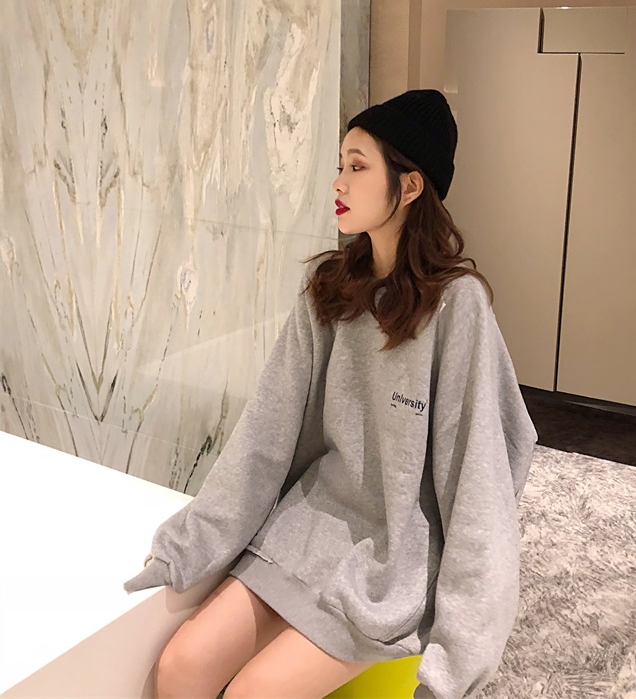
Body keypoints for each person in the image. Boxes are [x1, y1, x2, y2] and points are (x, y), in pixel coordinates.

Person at [123, 89, 538, 699]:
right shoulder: (330, 287)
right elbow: (266, 431)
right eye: (341, 164)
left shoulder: (457, 306)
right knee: (180, 667)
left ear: (410, 186)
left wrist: (459, 654)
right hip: (308, 525)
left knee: (252, 694)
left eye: (358, 166)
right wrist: (194, 543)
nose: (338, 182)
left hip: (394, 554)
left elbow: (478, 481)